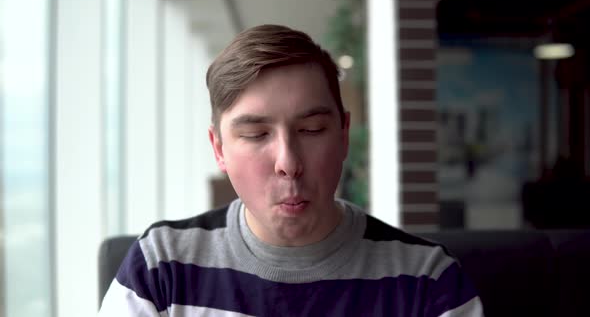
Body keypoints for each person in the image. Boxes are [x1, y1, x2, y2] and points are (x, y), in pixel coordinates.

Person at [99, 24, 484, 316]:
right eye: (255, 134)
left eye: (311, 130)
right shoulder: (161, 268)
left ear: (344, 134)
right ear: (219, 148)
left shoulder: (428, 281)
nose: (288, 163)